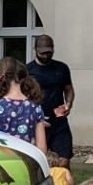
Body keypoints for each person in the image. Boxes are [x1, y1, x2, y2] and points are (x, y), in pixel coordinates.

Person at [0, 57, 48, 155]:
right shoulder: (35, 108)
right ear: (22, 77)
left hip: (0, 162)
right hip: (25, 162)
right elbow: (41, 147)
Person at [26, 35, 75, 171]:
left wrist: (68, 103)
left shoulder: (62, 68)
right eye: (43, 53)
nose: (46, 55)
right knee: (38, 161)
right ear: (35, 49)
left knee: (64, 161)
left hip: (59, 121)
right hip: (37, 122)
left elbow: (69, 89)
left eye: (49, 52)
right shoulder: (28, 70)